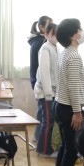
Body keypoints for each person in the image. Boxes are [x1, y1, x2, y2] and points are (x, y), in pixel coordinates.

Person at [54, 18, 84, 166]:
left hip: (61, 105)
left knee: (65, 147)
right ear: (73, 35)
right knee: (72, 150)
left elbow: (72, 81)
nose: (82, 32)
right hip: (69, 109)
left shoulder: (64, 53)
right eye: (79, 29)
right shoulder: (73, 56)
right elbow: (73, 87)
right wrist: (77, 112)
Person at [34, 22, 58, 158]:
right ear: (46, 34)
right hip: (46, 93)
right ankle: (44, 150)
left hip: (52, 92)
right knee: (48, 121)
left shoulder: (55, 47)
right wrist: (48, 94)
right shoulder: (45, 48)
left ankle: (46, 148)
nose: (56, 37)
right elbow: (44, 73)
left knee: (50, 121)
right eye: (53, 34)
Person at [29, 15, 52, 141]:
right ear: (41, 27)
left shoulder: (38, 41)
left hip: (37, 80)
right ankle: (39, 138)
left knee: (41, 110)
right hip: (40, 81)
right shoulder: (41, 43)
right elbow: (43, 67)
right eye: (49, 24)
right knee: (44, 112)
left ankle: (37, 136)